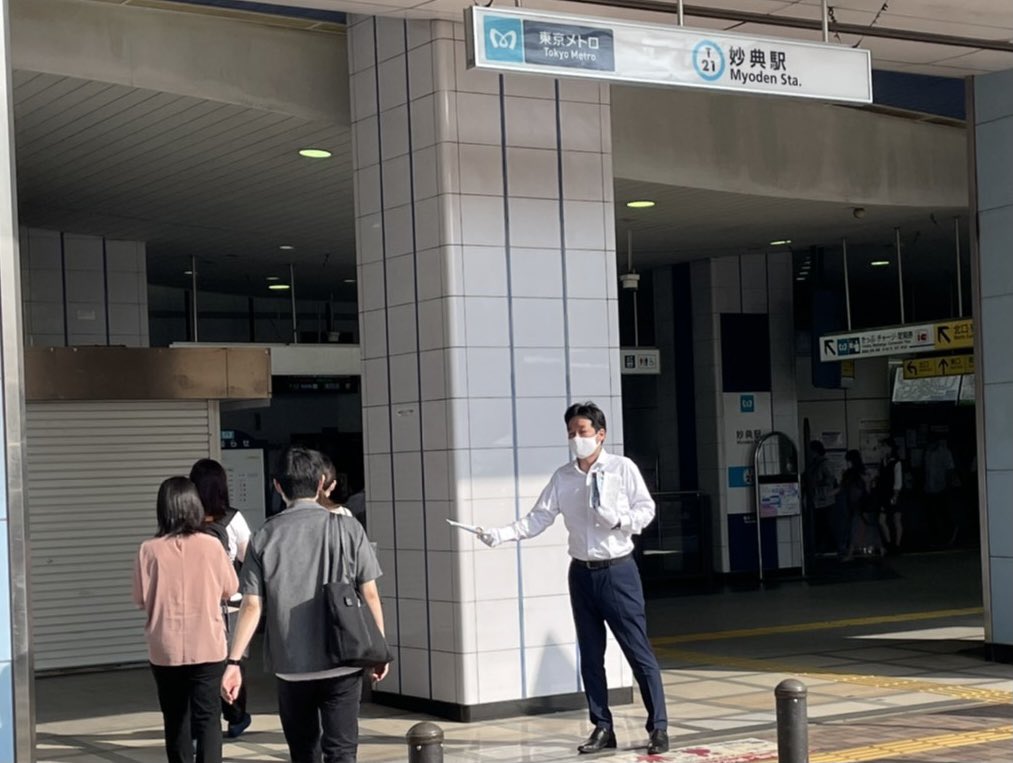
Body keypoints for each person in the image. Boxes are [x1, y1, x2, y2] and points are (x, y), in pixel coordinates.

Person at [476, 401, 668, 756]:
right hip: (581, 573)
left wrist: (619, 520)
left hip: (618, 571)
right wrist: (500, 534)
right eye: (571, 433)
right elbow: (538, 517)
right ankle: (602, 727)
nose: (576, 439)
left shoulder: (622, 468)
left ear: (600, 434)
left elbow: (647, 509)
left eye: (582, 432)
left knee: (637, 650)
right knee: (591, 655)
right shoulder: (563, 477)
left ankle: (658, 726)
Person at [222, 446, 388, 763]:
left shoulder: (264, 536)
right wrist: (379, 648)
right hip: (344, 659)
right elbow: (370, 593)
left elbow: (252, 606)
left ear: (277, 486)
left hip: (291, 666)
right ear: (321, 482)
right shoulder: (348, 528)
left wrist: (233, 663)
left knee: (303, 752)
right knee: (341, 751)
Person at [133, 477, 238, 763]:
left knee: (175, 717)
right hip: (208, 645)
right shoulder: (212, 545)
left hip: (164, 648)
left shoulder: (148, 550)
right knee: (208, 718)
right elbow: (231, 587)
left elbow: (140, 598)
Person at [189, 458, 254, 738]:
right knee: (232, 662)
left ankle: (200, 723)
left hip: (195, 606)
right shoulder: (233, 518)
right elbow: (249, 558)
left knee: (199, 666)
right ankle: (236, 717)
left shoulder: (184, 521)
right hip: (230, 605)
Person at [840, 450, 879, 560]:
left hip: (857, 505)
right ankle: (874, 550)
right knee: (865, 528)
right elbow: (868, 489)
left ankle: (851, 553)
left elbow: (842, 488)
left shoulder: (850, 474)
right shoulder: (862, 473)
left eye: (848, 461)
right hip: (862, 504)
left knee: (856, 529)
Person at [805, 441, 839, 556]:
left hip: (825, 499)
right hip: (817, 500)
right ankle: (822, 547)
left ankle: (829, 548)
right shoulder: (814, 464)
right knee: (820, 524)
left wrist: (817, 483)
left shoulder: (824, 464)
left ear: (815, 451)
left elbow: (830, 479)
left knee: (825, 524)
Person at [923, 435, 957, 546]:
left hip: (941, 487)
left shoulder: (944, 452)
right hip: (929, 488)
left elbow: (950, 469)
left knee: (944, 512)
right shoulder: (927, 452)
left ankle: (949, 532)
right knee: (931, 514)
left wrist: (948, 484)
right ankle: (936, 537)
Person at [876, 438, 904, 553]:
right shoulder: (883, 461)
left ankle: (897, 545)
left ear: (890, 448)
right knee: (882, 520)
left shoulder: (896, 462)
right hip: (884, 495)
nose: (882, 449)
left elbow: (898, 481)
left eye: (884, 446)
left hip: (893, 494)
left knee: (896, 520)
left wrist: (895, 495)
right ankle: (889, 543)